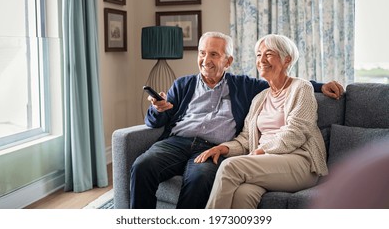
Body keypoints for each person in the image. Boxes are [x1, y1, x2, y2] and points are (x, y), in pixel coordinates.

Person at [130, 32, 342, 209]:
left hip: (235, 150)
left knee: (203, 178)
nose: (206, 60)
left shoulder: (247, 86)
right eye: (202, 53)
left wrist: (320, 86)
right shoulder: (184, 85)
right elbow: (156, 120)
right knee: (142, 166)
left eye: (214, 54)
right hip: (178, 142)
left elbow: (289, 86)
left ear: (228, 61)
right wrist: (157, 109)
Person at [195, 34, 329, 209]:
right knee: (243, 194)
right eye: (258, 55)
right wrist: (224, 148)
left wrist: (262, 150)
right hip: (266, 162)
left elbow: (297, 132)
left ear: (286, 60)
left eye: (269, 54)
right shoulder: (260, 98)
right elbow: (245, 138)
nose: (261, 60)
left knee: (230, 167)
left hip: (300, 162)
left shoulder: (301, 88)